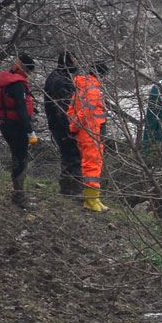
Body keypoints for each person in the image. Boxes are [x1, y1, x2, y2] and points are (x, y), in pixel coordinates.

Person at [0, 54, 40, 209]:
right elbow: (20, 108)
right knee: (21, 159)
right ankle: (19, 195)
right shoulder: (18, 85)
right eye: (29, 72)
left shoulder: (5, 79)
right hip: (17, 127)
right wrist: (30, 131)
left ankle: (18, 192)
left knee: (16, 157)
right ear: (25, 69)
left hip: (5, 123)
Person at [68, 60, 109, 213]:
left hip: (87, 131)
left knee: (89, 165)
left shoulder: (81, 87)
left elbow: (71, 109)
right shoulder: (93, 90)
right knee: (92, 166)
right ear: (101, 75)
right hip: (92, 132)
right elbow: (86, 112)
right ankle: (91, 200)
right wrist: (76, 127)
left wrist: (73, 127)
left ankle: (92, 199)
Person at [43, 51, 81, 196]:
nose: (76, 64)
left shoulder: (55, 77)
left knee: (68, 157)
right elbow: (64, 108)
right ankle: (72, 191)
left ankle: (67, 189)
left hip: (56, 124)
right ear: (69, 62)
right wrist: (72, 128)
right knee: (73, 157)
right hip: (62, 126)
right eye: (74, 60)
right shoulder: (61, 81)